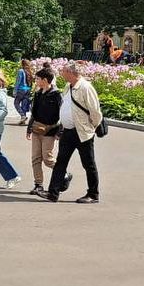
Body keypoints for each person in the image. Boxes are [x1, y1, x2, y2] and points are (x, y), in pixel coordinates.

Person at [35, 62, 102, 204]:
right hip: (68, 131)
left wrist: (91, 127)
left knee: (88, 164)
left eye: (64, 71)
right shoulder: (68, 86)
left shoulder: (85, 87)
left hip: (83, 132)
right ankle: (53, 193)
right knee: (61, 163)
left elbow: (95, 112)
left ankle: (93, 194)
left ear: (72, 73)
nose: (61, 73)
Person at [26, 63, 62, 195]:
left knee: (48, 159)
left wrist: (60, 132)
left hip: (50, 131)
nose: (36, 81)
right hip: (37, 129)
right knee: (36, 158)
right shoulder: (38, 94)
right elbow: (34, 113)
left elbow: (62, 114)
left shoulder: (57, 95)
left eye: (37, 79)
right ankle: (38, 185)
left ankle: (63, 174)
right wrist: (29, 128)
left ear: (45, 80)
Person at [13, 59, 34, 125]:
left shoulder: (21, 71)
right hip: (27, 89)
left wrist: (15, 90)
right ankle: (23, 120)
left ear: (22, 64)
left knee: (16, 103)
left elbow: (18, 81)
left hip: (21, 89)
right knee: (24, 105)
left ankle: (22, 116)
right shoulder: (29, 71)